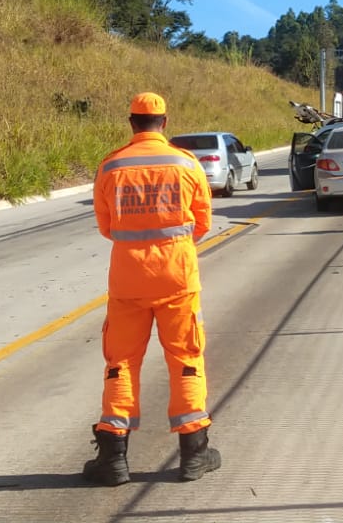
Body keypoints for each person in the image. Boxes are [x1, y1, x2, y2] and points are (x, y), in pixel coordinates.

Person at [84, 92, 222, 486]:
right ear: (164, 122)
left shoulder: (111, 165)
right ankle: (194, 453)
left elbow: (106, 226)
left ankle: (113, 456)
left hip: (128, 278)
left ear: (131, 123)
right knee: (186, 358)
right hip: (177, 275)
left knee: (121, 361)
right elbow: (202, 222)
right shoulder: (186, 163)